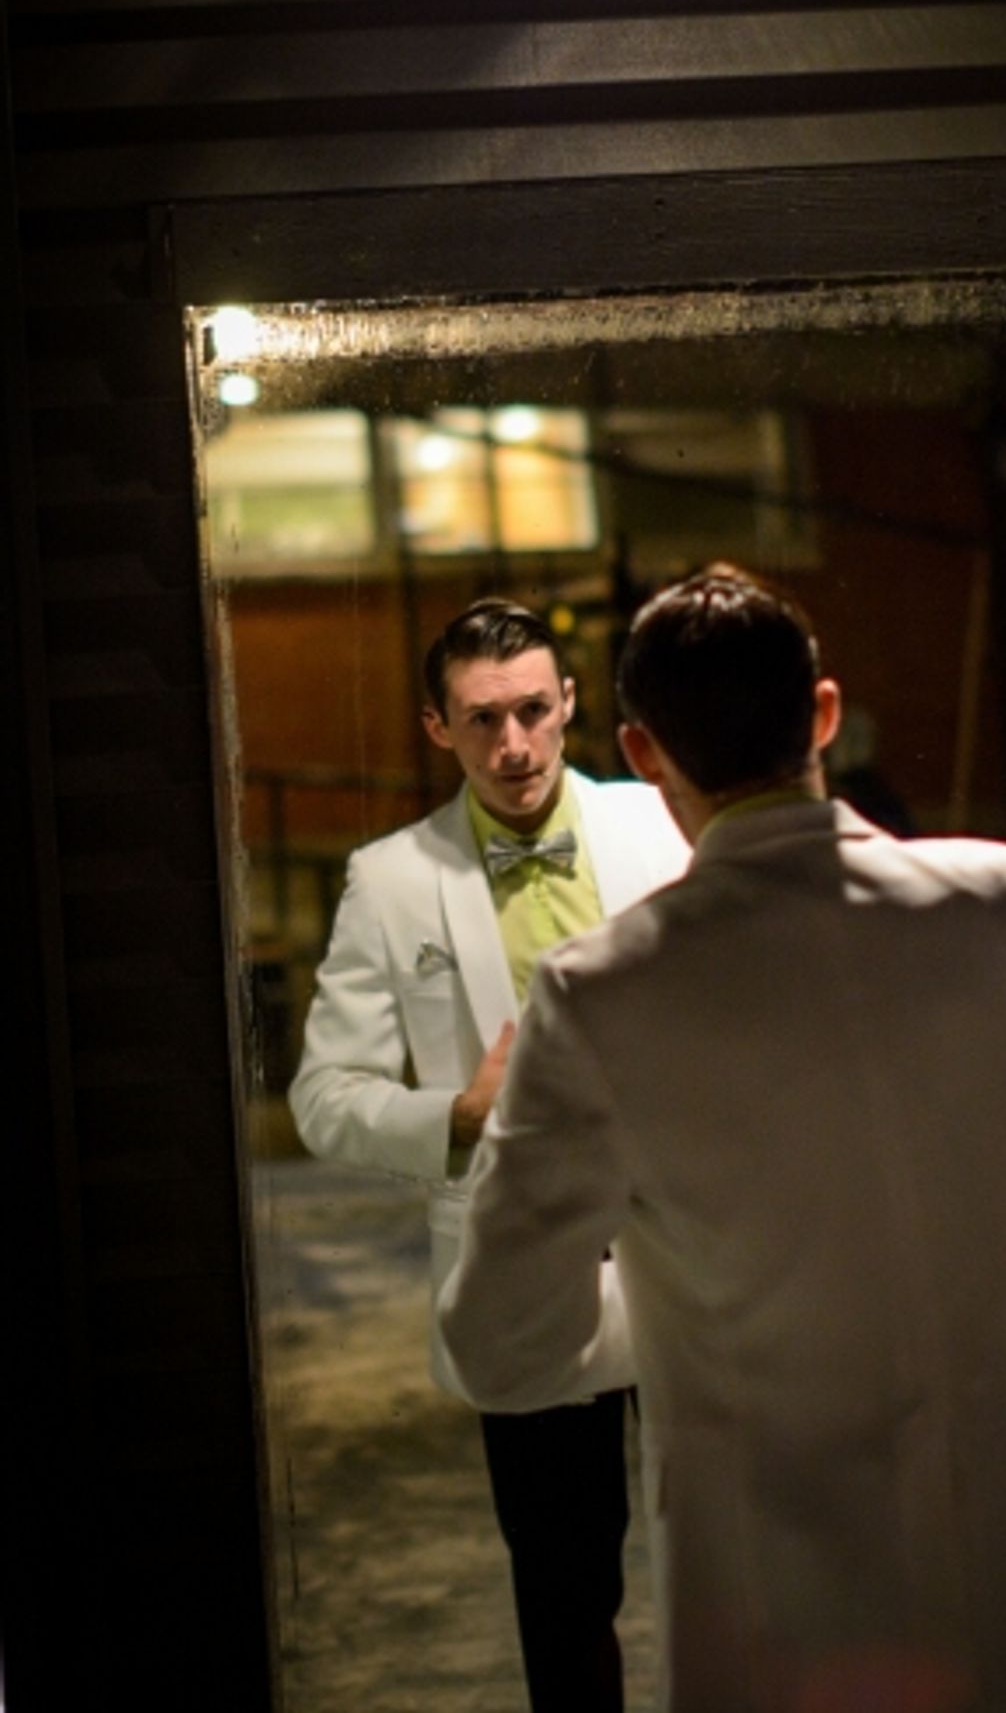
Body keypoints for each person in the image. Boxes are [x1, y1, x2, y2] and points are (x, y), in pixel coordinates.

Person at [439, 565, 1006, 1713]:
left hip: (789, 1609)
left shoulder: (601, 994)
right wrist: (996, 1199)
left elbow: (501, 1348)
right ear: (822, 713)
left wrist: (705, 1292)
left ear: (637, 748)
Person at [288, 597, 689, 1713]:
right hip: (523, 1258)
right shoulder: (389, 880)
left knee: (737, 1539)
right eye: (481, 721)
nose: (512, 746)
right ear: (436, 728)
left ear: (569, 706)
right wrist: (453, 1119)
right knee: (563, 1581)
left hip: (693, 1235)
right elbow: (321, 1097)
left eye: (530, 712)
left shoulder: (661, 826)